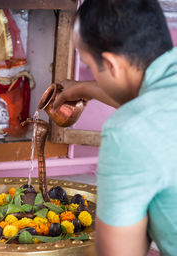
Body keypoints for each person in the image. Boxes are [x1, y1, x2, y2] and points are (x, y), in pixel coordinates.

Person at [51, 0, 177, 255]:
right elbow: (152, 101)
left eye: (92, 67)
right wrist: (85, 87)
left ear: (110, 64)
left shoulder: (127, 132)